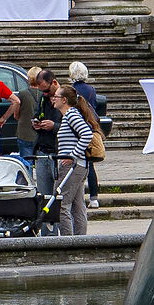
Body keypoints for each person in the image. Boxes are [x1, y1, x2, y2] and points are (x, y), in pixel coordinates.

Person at [51, 80, 93, 236]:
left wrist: (73, 155)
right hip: (78, 166)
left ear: (64, 100)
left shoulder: (71, 115)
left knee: (61, 204)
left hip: (72, 167)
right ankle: (80, 239)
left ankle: (68, 241)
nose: (53, 99)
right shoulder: (69, 115)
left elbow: (86, 134)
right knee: (77, 205)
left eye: (56, 96)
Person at [69, 61, 108, 207]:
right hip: (89, 125)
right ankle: (94, 197)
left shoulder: (70, 90)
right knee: (90, 164)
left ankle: (75, 196)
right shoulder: (91, 90)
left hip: (75, 127)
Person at [28, 67, 59, 192]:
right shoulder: (43, 98)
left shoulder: (67, 97)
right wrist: (36, 124)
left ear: (54, 82)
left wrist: (54, 126)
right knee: (43, 194)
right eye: (42, 91)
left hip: (58, 153)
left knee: (60, 194)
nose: (44, 93)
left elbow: (73, 126)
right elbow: (37, 114)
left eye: (46, 90)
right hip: (42, 151)